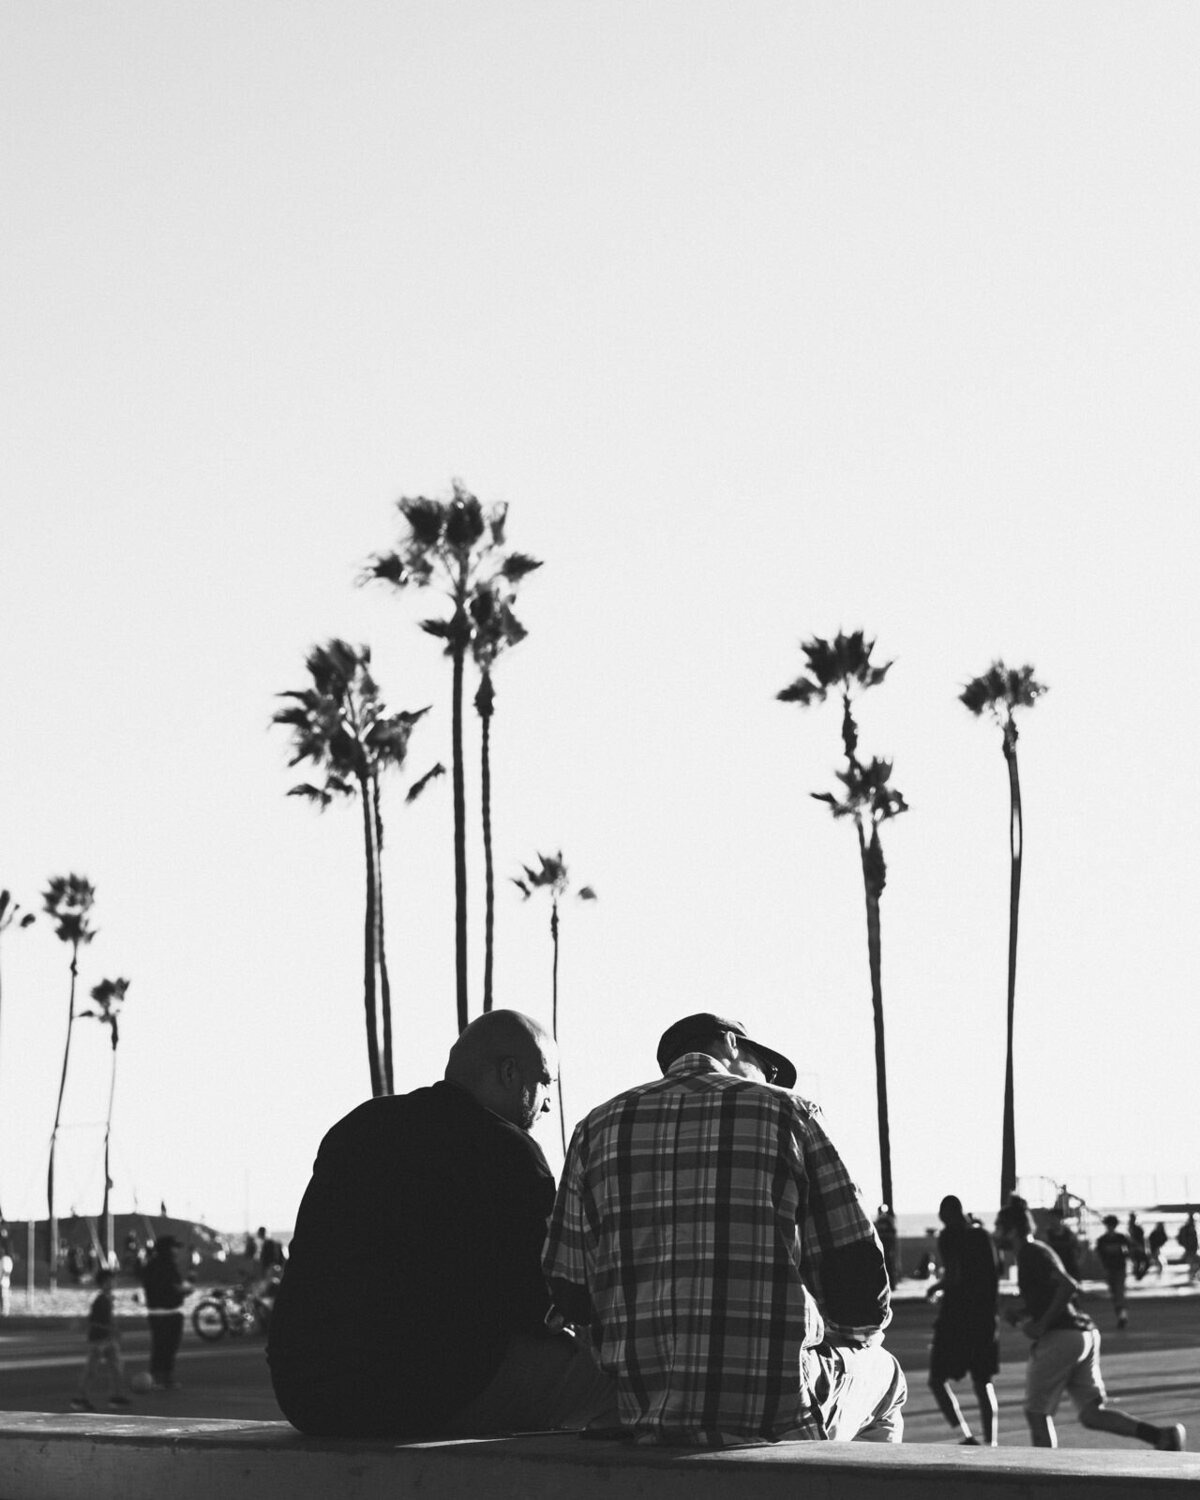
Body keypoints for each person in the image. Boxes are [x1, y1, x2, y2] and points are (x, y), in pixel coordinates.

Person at [543, 1012, 906, 1446]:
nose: (771, 1079)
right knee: (888, 1377)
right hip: (776, 1414)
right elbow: (857, 1276)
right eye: (766, 1068)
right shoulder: (789, 1111)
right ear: (732, 1044)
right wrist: (853, 1339)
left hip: (642, 1411)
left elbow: (570, 1290)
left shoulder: (594, 1129)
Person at [268, 1009, 612, 1439]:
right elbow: (535, 1304)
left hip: (309, 1395)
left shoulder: (360, 1125)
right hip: (423, 1396)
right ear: (509, 1073)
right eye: (546, 1082)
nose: (547, 1102)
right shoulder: (509, 1152)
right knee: (623, 1381)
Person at [995, 1195, 1184, 1451]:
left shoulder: (1031, 1253)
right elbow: (1050, 1294)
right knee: (1091, 1414)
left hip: (1061, 1337)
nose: (995, 1234)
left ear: (1013, 1231)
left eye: (999, 1228)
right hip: (1083, 1333)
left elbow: (1067, 1285)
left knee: (1036, 1412)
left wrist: (1041, 1325)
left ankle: (1045, 1480)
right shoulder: (1036, 1251)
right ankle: (1161, 1437)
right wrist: (1022, 1312)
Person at [924, 1195, 999, 1446]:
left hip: (956, 1318)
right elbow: (994, 1272)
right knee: (983, 1382)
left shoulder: (949, 1236)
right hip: (984, 1317)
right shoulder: (982, 1235)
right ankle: (991, 1442)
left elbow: (954, 1275)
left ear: (947, 1214)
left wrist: (935, 1287)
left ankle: (964, 1434)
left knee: (937, 1380)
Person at [71, 1267, 132, 1411]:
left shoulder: (107, 1299)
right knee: (92, 1370)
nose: (114, 1283)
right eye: (111, 1280)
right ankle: (80, 1399)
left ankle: (116, 1396)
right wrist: (111, 1329)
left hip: (108, 1339)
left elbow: (109, 1319)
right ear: (104, 1283)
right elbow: (93, 1321)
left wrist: (114, 1330)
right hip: (99, 1339)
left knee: (116, 1367)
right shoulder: (100, 1301)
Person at [139, 1235, 189, 1389]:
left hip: (157, 1312)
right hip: (168, 1312)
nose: (176, 1251)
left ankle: (161, 1376)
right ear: (167, 1249)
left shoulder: (151, 1265)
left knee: (162, 1346)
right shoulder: (167, 1266)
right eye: (174, 1247)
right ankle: (162, 1378)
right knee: (166, 1347)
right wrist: (184, 1290)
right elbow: (174, 1288)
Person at [1094, 1215, 1132, 1329]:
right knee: (1115, 1294)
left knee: (1119, 1292)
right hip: (1109, 1268)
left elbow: (1128, 1251)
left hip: (1120, 1268)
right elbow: (1099, 1255)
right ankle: (1120, 1315)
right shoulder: (1102, 1240)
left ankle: (1122, 1316)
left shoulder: (1121, 1238)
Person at [1042, 1207, 1080, 1280]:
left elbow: (1079, 1249)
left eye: (1054, 1218)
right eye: (1050, 1218)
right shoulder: (1046, 1235)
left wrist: (1078, 1261)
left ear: (1060, 1219)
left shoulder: (1070, 1234)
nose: (1052, 1220)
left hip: (1070, 1268)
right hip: (1054, 1269)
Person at [1127, 1213, 1149, 1281]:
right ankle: (1138, 1275)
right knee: (1139, 1262)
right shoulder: (1133, 1227)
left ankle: (1138, 1275)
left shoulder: (1134, 1227)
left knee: (1139, 1263)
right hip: (1136, 1248)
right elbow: (1133, 1239)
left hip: (1137, 1248)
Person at [1177, 1213, 1199, 1281]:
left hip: (1191, 1248)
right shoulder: (1188, 1228)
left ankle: (1192, 1276)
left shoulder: (1190, 1228)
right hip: (1190, 1248)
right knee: (1193, 1262)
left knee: (1193, 1262)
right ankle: (1191, 1276)